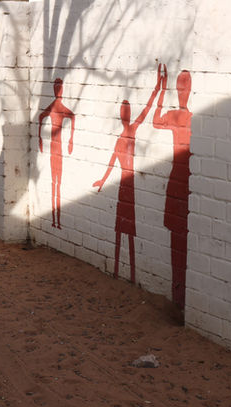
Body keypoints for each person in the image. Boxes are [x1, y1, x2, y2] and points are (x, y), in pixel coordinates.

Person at [93, 67, 162, 284]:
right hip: (123, 185)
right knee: (119, 229)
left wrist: (158, 87)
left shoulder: (132, 130)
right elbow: (111, 162)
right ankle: (116, 270)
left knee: (129, 231)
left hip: (128, 184)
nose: (127, 114)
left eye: (128, 111)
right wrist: (102, 180)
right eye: (124, 111)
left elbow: (147, 109)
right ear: (122, 115)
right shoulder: (121, 138)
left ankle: (130, 273)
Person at [153, 64, 192, 312]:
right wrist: (161, 88)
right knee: (176, 242)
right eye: (179, 86)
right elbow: (155, 122)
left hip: (186, 179)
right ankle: (178, 297)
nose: (182, 91)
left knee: (184, 242)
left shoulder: (192, 118)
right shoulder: (178, 116)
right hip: (178, 179)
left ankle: (183, 297)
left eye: (184, 86)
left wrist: (161, 89)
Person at [38, 78, 76, 229]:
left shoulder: (55, 107)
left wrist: (71, 140)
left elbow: (41, 117)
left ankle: (56, 220)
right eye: (57, 88)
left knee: (56, 183)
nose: (58, 91)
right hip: (56, 148)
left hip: (56, 148)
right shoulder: (56, 107)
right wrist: (40, 138)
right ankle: (56, 220)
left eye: (59, 88)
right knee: (56, 184)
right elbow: (41, 117)